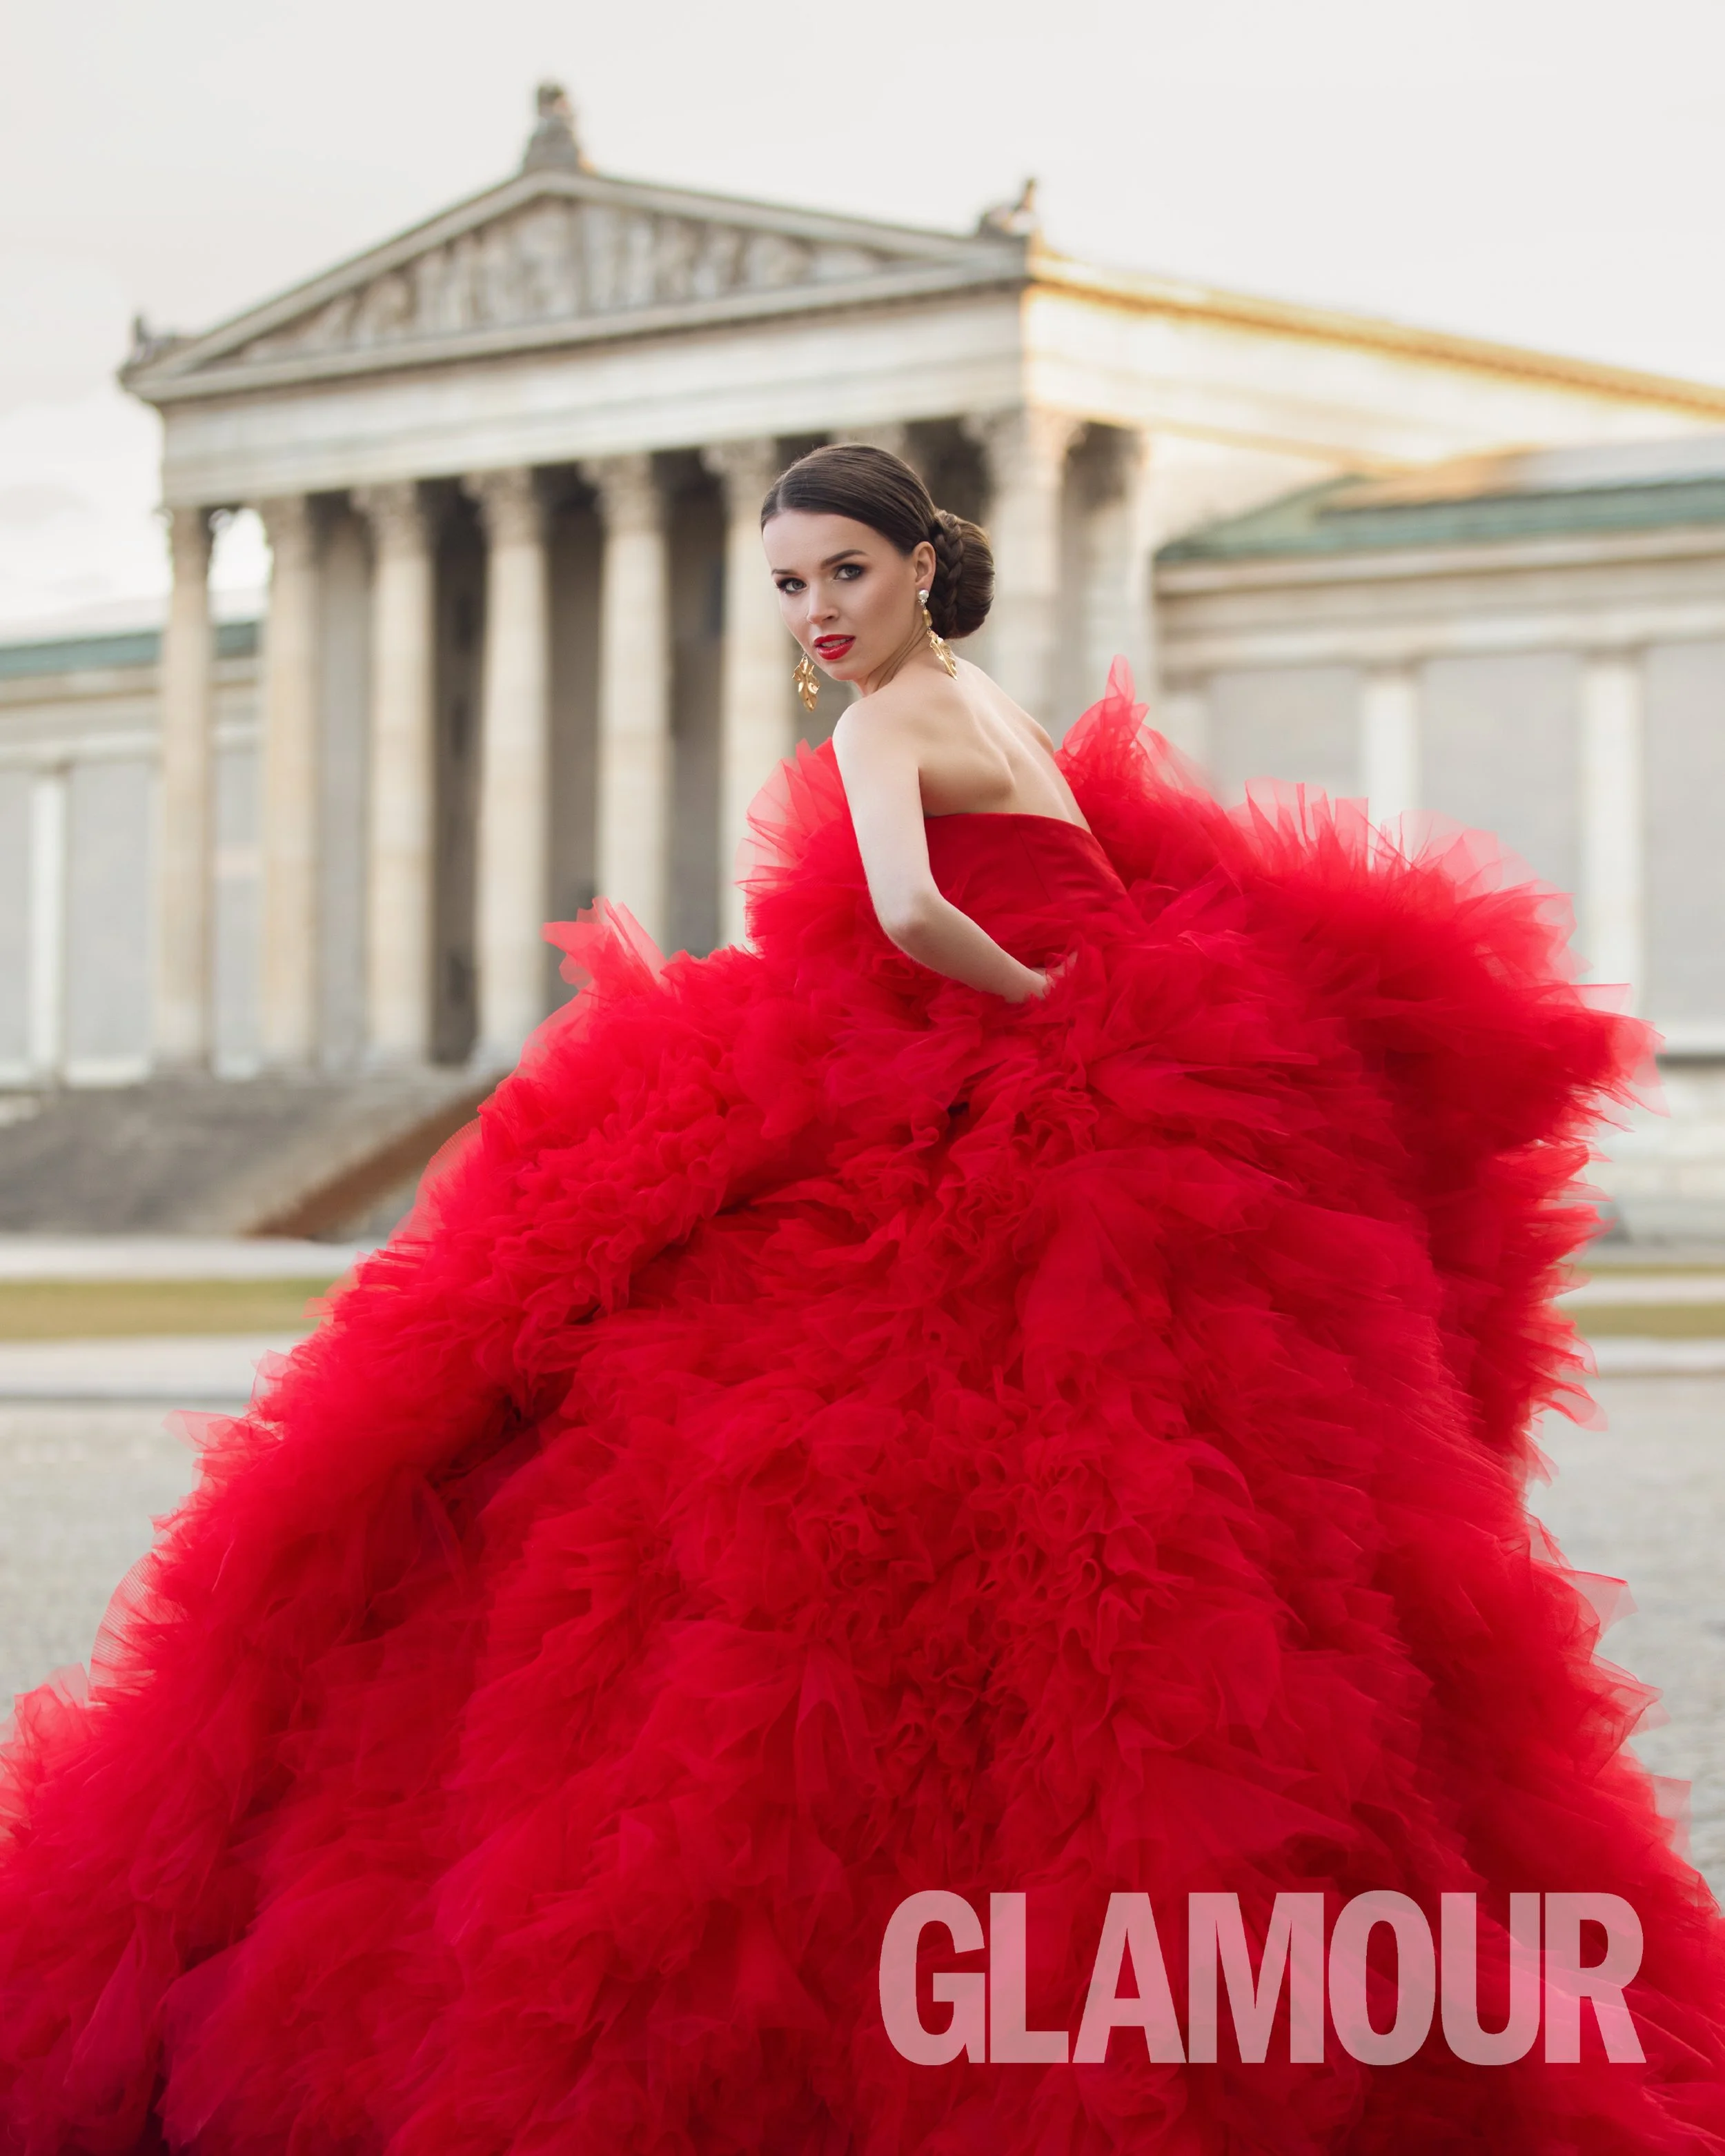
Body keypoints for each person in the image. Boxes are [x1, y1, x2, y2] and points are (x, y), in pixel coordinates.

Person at [3, 442, 1724, 2152]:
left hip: (989, 1105)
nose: (815, 611)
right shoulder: (997, 714)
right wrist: (1089, 1004)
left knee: (718, 1484)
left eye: (843, 570)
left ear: (920, 562)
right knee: (1176, 1541)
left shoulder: (884, 726)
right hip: (1128, 1132)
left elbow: (906, 905)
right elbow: (1098, 880)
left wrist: (1025, 994)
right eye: (787, 580)